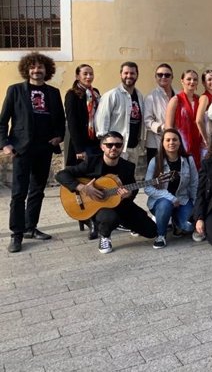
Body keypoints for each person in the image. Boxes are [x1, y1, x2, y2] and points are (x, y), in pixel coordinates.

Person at [1, 52, 65, 252]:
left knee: (37, 190)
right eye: (33, 67)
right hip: (22, 149)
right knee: (19, 193)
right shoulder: (16, 91)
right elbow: (3, 121)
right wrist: (5, 144)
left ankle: (31, 227)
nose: (37, 70)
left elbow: (60, 120)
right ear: (27, 70)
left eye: (41, 67)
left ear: (47, 70)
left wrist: (59, 136)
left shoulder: (53, 93)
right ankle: (16, 234)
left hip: (44, 148)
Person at [55, 131, 157, 254]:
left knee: (152, 231)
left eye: (118, 145)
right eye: (109, 145)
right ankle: (105, 236)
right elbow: (61, 175)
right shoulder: (91, 162)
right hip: (98, 207)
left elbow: (133, 188)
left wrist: (129, 194)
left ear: (122, 147)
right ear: (102, 146)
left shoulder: (128, 167)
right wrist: (82, 188)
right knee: (110, 218)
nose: (114, 148)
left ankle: (124, 222)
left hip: (120, 204)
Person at [144, 128, 198, 249]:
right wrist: (170, 197)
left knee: (189, 226)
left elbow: (194, 184)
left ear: (180, 142)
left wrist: (195, 205)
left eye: (175, 140)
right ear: (162, 143)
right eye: (167, 140)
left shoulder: (189, 160)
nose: (171, 142)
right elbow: (147, 188)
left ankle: (176, 222)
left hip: (182, 200)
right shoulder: (155, 161)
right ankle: (161, 235)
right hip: (161, 203)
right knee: (165, 204)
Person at [95, 61, 145, 162]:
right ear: (120, 74)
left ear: (137, 75)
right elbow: (101, 121)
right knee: (113, 177)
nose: (129, 76)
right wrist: (106, 145)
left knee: (130, 176)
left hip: (133, 147)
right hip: (116, 148)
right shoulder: (111, 95)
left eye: (132, 73)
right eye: (126, 73)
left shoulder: (139, 96)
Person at [64, 64, 101, 166]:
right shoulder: (72, 94)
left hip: (95, 140)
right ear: (77, 76)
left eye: (91, 74)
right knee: (82, 174)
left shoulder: (95, 93)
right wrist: (78, 149)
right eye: (85, 74)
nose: (88, 77)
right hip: (82, 142)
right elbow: (72, 123)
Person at [165, 69, 202, 168]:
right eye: (188, 79)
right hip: (181, 144)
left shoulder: (200, 100)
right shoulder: (176, 100)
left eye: (195, 79)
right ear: (182, 81)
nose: (192, 82)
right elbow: (168, 126)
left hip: (198, 144)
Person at [143, 63, 175, 163]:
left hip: (175, 140)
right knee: (156, 172)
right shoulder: (150, 97)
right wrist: (161, 127)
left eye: (167, 75)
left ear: (172, 77)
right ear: (156, 77)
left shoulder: (179, 95)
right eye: (160, 75)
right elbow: (147, 120)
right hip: (155, 143)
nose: (163, 77)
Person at [196, 69, 212, 156]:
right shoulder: (205, 97)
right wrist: (206, 139)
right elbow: (199, 120)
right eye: (209, 79)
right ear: (203, 82)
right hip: (208, 143)